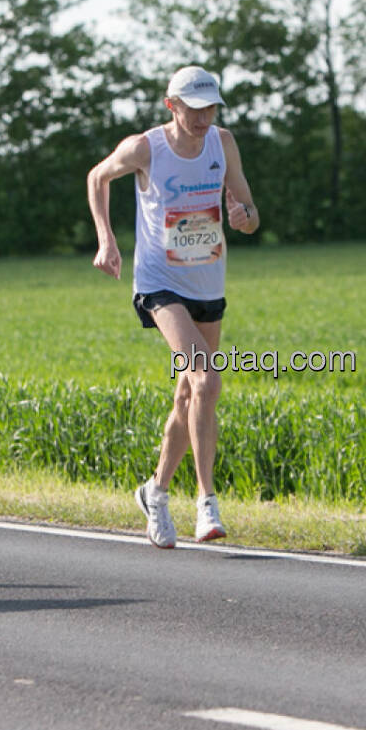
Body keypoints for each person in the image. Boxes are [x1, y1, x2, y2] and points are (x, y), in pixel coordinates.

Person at [86, 66, 260, 548]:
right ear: (172, 105)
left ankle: (156, 493)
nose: (204, 116)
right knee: (207, 378)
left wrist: (244, 217)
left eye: (211, 107)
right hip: (160, 284)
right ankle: (208, 505)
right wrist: (107, 240)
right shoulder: (146, 147)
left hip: (207, 280)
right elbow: (97, 177)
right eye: (195, 107)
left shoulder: (222, 144)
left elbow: (249, 214)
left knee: (189, 396)